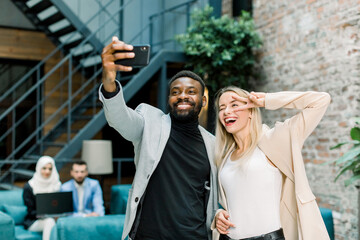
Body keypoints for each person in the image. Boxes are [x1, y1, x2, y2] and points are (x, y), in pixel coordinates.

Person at [99, 36, 218, 240]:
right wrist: (109, 81)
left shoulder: (213, 144)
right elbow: (120, 119)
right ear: (169, 98)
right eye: (175, 92)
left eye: (191, 92)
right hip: (148, 235)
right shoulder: (150, 123)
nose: (182, 96)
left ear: (203, 100)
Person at [212, 87, 331, 240]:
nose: (227, 111)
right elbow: (235, 201)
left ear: (250, 111)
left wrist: (266, 100)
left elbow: (321, 100)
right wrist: (218, 215)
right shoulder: (224, 156)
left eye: (235, 105)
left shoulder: (273, 140)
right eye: (222, 108)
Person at [23, 156, 61, 240]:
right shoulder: (30, 186)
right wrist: (45, 214)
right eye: (44, 168)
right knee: (49, 221)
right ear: (39, 168)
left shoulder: (56, 184)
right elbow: (30, 211)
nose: (47, 171)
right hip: (34, 221)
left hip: (54, 218)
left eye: (50, 169)